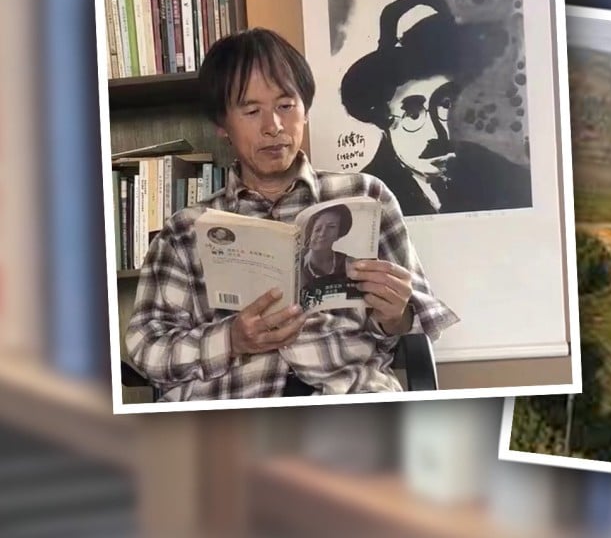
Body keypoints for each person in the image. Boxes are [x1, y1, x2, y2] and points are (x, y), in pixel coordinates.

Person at [125, 28, 458, 400]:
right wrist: (231, 339)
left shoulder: (365, 196)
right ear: (222, 125)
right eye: (252, 111)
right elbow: (147, 348)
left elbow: (422, 322)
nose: (274, 127)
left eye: (286, 105)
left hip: (347, 399)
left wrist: (397, 315)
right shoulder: (185, 230)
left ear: (305, 109)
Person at [341, 0, 532, 217]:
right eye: (413, 113)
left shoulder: (493, 172)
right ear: (383, 118)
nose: (440, 134)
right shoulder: (362, 200)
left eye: (445, 104)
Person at [299, 204, 360, 306]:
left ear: (339, 233)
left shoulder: (349, 264)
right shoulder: (297, 263)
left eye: (331, 227)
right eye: (318, 228)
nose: (323, 233)